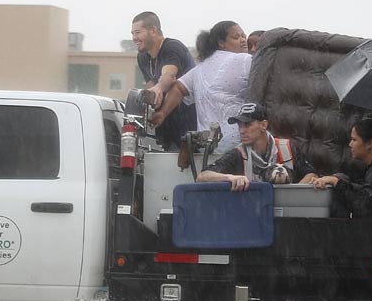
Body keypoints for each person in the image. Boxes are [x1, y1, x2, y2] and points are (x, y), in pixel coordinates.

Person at [150, 21, 251, 154]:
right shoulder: (245, 60)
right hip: (239, 147)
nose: (243, 40)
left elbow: (179, 88)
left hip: (206, 149)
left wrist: (163, 113)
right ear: (221, 43)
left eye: (244, 36)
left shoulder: (200, 68)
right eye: (236, 37)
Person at [197, 103, 317, 190]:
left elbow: (311, 174)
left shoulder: (287, 147)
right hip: (254, 215)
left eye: (247, 125)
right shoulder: (237, 154)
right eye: (240, 126)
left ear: (263, 125)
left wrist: (292, 194)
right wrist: (230, 178)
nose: (242, 131)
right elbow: (202, 177)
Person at [310, 118, 372, 219]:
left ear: (369, 143)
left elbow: (364, 206)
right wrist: (331, 179)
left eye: (354, 140)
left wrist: (337, 182)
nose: (350, 144)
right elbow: (361, 189)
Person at [130, 11, 197, 151]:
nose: (134, 38)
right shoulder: (142, 57)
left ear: (153, 30)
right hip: (164, 124)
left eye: (137, 32)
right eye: (132, 34)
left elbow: (169, 76)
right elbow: (151, 88)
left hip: (189, 124)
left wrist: (159, 88)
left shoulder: (172, 47)